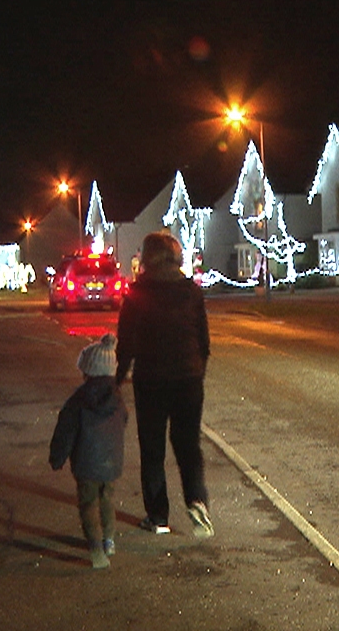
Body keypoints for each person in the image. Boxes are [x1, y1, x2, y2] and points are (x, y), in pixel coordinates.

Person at [115, 231, 214, 538]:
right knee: (188, 446)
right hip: (188, 380)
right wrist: (197, 370)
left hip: (151, 381)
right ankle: (197, 500)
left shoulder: (136, 292)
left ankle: (158, 516)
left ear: (147, 257)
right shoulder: (192, 292)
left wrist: (116, 380)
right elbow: (204, 341)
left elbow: (126, 344)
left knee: (153, 448)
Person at [49, 333, 128, 569]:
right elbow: (123, 421)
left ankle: (95, 549)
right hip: (112, 461)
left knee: (88, 504)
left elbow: (66, 431)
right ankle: (109, 540)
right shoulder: (117, 398)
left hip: (86, 462)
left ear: (88, 371)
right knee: (107, 499)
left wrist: (57, 457)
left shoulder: (78, 400)